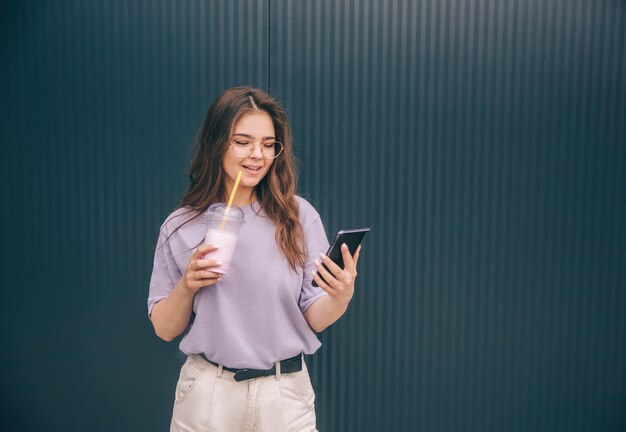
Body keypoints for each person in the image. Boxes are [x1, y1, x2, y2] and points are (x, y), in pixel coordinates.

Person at [147, 86, 362, 432]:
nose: (257, 155)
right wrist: (187, 286)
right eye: (242, 141)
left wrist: (341, 296)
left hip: (284, 394)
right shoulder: (180, 225)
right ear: (217, 143)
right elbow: (164, 328)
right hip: (208, 394)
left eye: (267, 144)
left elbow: (316, 318)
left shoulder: (297, 216)